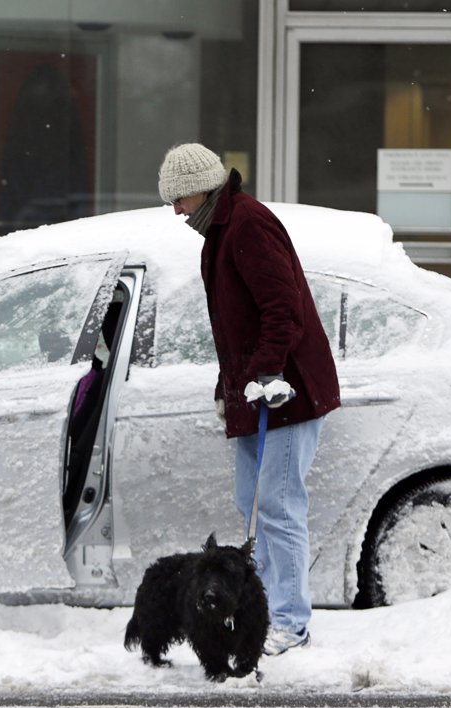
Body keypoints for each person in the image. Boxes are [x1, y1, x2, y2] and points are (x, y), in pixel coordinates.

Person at [157, 142, 340, 656]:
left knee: (278, 507)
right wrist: (230, 387)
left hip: (287, 392)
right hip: (255, 393)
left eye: (179, 198)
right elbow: (233, 326)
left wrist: (268, 370)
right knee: (252, 503)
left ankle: (289, 622)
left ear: (203, 187)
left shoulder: (247, 225)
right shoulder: (218, 232)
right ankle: (262, 609)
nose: (176, 210)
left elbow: (283, 306)